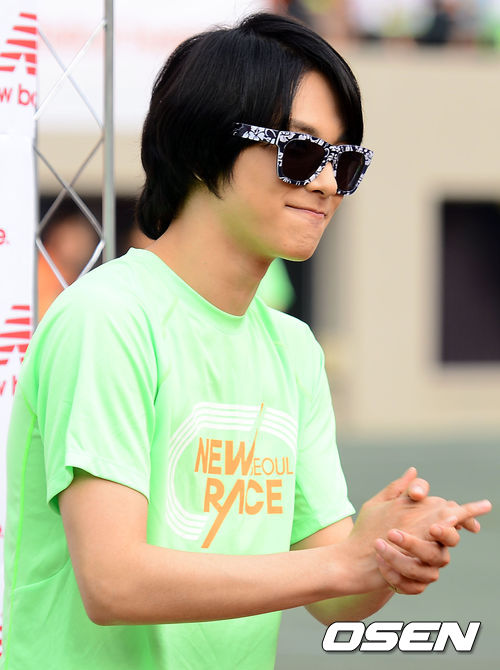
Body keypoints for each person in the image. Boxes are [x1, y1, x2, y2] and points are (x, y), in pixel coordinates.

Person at [1, 12, 491, 670]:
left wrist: (385, 556)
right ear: (203, 147)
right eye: (301, 152)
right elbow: (113, 581)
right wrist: (346, 562)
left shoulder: (293, 349)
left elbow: (332, 594)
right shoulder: (108, 318)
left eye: (346, 162)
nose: (327, 183)